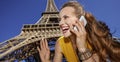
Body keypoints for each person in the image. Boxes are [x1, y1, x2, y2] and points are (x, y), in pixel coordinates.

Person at [37, 1, 120, 62]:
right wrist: (46, 61)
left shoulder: (93, 38)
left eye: (66, 17)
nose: (60, 23)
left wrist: (82, 49)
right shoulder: (60, 43)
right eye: (59, 19)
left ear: (81, 20)